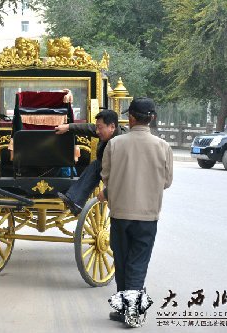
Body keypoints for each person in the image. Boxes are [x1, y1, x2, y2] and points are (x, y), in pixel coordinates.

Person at [98, 97, 173, 328]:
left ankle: (128, 312)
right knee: (137, 263)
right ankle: (129, 312)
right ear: (153, 118)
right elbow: (167, 182)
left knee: (121, 261)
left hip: (120, 214)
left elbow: (106, 176)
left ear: (130, 118)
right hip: (147, 216)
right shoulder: (163, 147)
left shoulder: (115, 144)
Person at [54, 109, 125, 216]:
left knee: (96, 165)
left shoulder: (123, 142)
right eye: (97, 127)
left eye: (99, 128)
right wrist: (68, 127)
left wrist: (106, 192)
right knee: (96, 164)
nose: (97, 131)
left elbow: (123, 174)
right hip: (107, 169)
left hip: (121, 180)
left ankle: (76, 200)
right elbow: (90, 128)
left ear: (112, 127)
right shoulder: (107, 132)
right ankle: (75, 200)